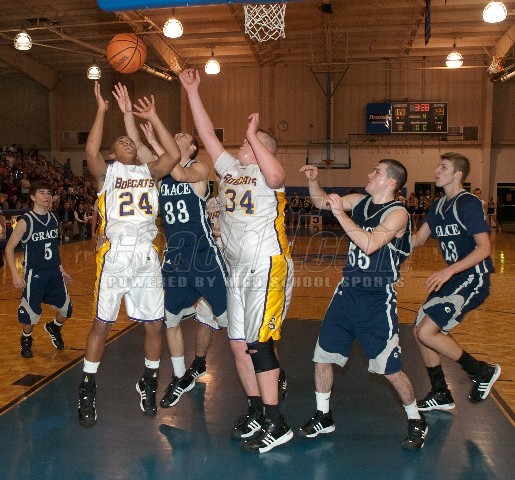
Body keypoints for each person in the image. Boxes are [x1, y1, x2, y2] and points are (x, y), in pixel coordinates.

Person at [180, 68, 294, 454]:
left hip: (266, 266)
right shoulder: (231, 170)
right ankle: (257, 411)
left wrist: (253, 136)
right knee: (238, 345)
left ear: (261, 149)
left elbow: (276, 173)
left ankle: (277, 423)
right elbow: (207, 135)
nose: (242, 146)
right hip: (237, 270)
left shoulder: (269, 176)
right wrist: (193, 92)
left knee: (259, 345)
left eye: (249, 144)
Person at [297, 159, 428, 451]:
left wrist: (339, 214)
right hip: (347, 293)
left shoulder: (398, 214)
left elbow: (369, 244)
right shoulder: (359, 201)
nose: (369, 174)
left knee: (390, 370)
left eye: (376, 171)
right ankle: (323, 415)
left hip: (376, 299)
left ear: (391, 181)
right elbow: (320, 202)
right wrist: (314, 181)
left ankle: (416, 418)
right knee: (323, 356)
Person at [76, 81, 180, 428]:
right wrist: (102, 111)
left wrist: (153, 116)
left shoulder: (150, 172)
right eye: (120, 141)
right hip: (116, 255)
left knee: (154, 324)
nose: (127, 141)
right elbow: (90, 150)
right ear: (113, 154)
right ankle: (87, 386)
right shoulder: (107, 174)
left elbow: (173, 155)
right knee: (102, 324)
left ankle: (149, 381)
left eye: (130, 140)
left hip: (146, 255)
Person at [136, 117, 229, 409]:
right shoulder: (163, 171)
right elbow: (138, 147)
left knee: (232, 323)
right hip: (175, 258)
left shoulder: (199, 169)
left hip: (203, 257)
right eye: (173, 134)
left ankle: (265, 370)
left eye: (181, 136)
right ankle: (179, 377)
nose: (176, 136)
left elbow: (179, 173)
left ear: (191, 148)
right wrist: (129, 116)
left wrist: (157, 140)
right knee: (171, 319)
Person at [412, 152, 500, 412]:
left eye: (443, 167)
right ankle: (440, 392)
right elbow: (418, 240)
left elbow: (484, 248)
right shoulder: (439, 205)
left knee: (426, 332)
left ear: (458, 174)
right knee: (419, 332)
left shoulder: (467, 203)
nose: (437, 171)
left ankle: (481, 371)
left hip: (473, 277)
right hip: (454, 278)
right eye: (438, 166)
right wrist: (383, 237)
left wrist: (449, 271)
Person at [5, 179, 73, 358]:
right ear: (33, 197)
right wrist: (15, 274)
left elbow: (53, 248)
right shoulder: (25, 221)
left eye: (48, 193)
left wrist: (61, 269)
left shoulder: (53, 218)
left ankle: (54, 327)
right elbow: (9, 248)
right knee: (30, 315)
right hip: (35, 274)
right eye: (42, 193)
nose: (46, 196)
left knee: (67, 309)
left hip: (54, 272)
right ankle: (26, 338)